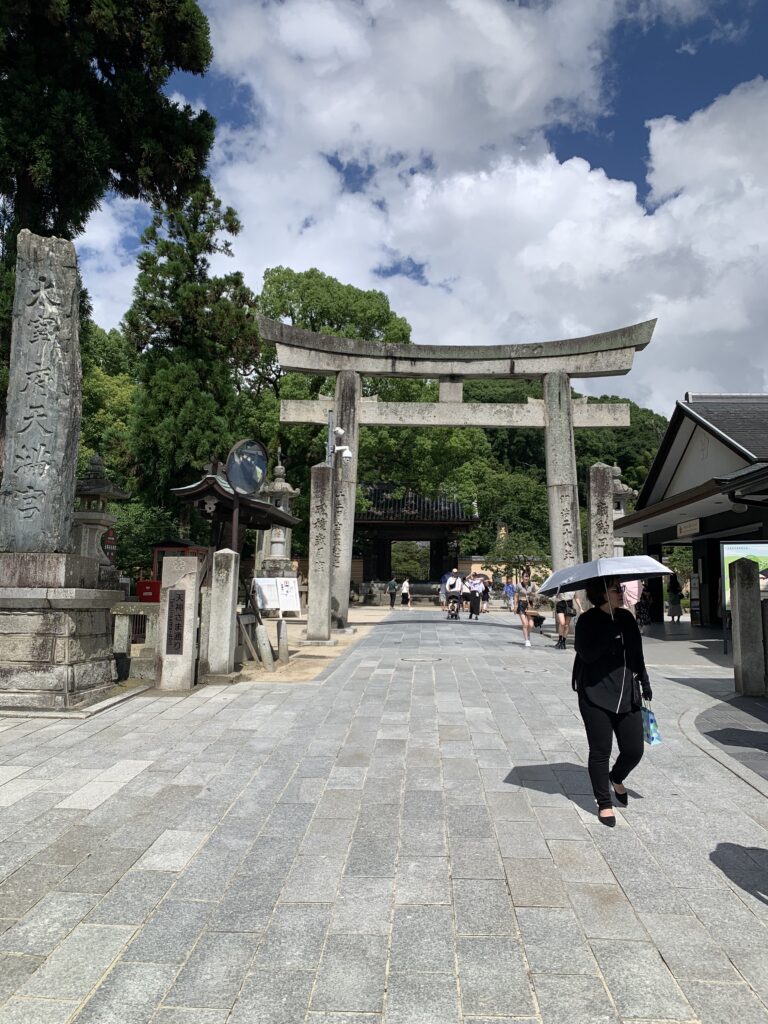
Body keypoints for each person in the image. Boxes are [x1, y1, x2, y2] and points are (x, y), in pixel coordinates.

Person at [572, 578, 652, 827]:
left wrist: (645, 681)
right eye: (616, 589)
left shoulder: (626, 618)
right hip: (595, 693)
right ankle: (604, 803)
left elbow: (636, 653)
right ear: (602, 594)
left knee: (634, 750)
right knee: (600, 751)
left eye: (621, 588)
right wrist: (609, 634)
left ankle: (616, 777)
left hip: (627, 692)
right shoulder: (587, 621)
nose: (621, 592)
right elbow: (587, 654)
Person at [514, 569, 539, 647]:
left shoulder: (532, 584)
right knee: (525, 624)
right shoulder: (518, 585)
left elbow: (537, 593)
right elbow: (516, 595)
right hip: (521, 603)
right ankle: (526, 640)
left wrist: (532, 594)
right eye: (525, 576)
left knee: (531, 624)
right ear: (522, 577)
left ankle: (528, 635)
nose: (526, 578)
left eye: (527, 576)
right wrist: (515, 605)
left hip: (530, 604)